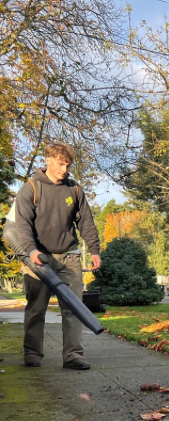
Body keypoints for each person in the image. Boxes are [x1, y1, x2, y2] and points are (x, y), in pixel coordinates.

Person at [14, 142, 101, 370]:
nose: (64, 169)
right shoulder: (31, 188)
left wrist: (94, 250)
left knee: (73, 307)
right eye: (61, 164)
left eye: (68, 165)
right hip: (39, 258)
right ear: (48, 160)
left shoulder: (75, 189)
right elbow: (21, 226)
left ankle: (73, 355)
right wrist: (31, 251)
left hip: (69, 257)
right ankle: (33, 353)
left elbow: (86, 222)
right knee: (36, 307)